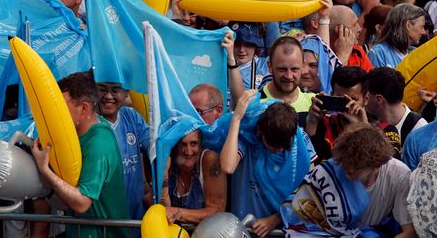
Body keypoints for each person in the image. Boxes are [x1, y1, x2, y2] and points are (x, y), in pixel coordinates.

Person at [31, 71, 129, 237]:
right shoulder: (85, 127)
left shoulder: (98, 144)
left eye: (61, 108)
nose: (57, 114)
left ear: (84, 108)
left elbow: (82, 203)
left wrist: (44, 169)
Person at [220, 94, 316, 238]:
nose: (279, 150)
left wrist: (276, 218)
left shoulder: (301, 143)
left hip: (285, 230)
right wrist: (236, 119)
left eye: (285, 145)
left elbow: (310, 192)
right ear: (260, 130)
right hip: (245, 230)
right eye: (273, 144)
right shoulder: (248, 138)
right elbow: (228, 166)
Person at [282, 124, 396, 236]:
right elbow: (295, 202)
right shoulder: (328, 168)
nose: (349, 168)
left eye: (356, 166)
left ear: (375, 166)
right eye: (347, 161)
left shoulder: (390, 178)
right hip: (305, 229)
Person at [96, 81, 150, 220]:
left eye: (115, 90)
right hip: (103, 222)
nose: (108, 96)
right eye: (102, 89)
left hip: (134, 218)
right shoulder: (88, 122)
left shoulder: (132, 117)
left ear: (126, 93)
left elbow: (152, 147)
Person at [161, 128, 227, 224]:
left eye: (193, 144)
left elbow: (217, 211)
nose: (188, 151)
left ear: (200, 145)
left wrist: (178, 213)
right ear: (175, 145)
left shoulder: (209, 160)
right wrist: (164, 177)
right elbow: (160, 207)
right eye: (183, 144)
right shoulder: (168, 160)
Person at [306, 66, 370, 161]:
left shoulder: (381, 128)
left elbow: (377, 166)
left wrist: (363, 128)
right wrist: (312, 123)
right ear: (332, 94)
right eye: (341, 99)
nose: (347, 105)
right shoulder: (323, 123)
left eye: (353, 100)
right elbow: (313, 162)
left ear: (366, 99)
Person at [259, 37, 317, 124]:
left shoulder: (313, 104)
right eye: (282, 69)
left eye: (294, 69)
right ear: (270, 67)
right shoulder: (255, 105)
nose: (289, 76)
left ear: (303, 66)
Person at [365, 67, 427, 145]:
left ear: (378, 99)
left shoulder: (420, 129)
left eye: (367, 95)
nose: (364, 99)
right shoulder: (367, 120)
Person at [368, 3, 427, 68]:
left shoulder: (417, 53)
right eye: (422, 27)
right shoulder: (378, 53)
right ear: (408, 25)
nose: (424, 32)